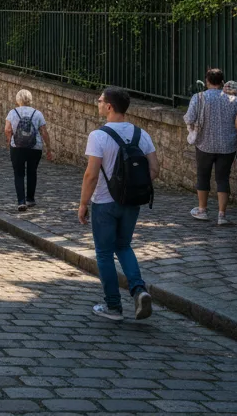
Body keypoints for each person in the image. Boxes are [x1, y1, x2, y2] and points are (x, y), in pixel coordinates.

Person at [78, 87, 157, 321]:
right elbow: (154, 169)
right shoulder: (141, 134)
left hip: (104, 202)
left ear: (109, 106)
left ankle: (113, 306)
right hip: (132, 202)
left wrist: (83, 204)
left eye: (100, 100)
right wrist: (132, 187)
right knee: (124, 246)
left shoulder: (98, 136)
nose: (98, 103)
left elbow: (91, 175)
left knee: (104, 253)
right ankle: (139, 290)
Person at [184, 68, 237, 225]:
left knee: (203, 175)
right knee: (223, 178)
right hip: (227, 145)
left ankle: (202, 210)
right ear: (222, 82)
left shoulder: (199, 97)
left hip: (204, 143)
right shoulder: (233, 100)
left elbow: (189, 118)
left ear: (207, 81)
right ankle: (222, 215)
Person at [5, 89, 53, 212]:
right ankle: (30, 199)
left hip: (17, 146)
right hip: (35, 147)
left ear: (18, 99)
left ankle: (21, 202)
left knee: (19, 173)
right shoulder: (37, 113)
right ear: (30, 99)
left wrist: (9, 141)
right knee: (32, 172)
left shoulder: (12, 112)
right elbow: (44, 132)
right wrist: (48, 148)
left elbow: (7, 129)